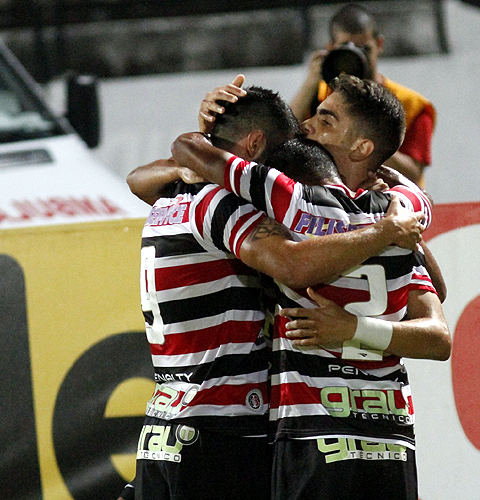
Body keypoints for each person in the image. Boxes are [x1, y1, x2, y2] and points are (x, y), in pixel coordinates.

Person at [129, 85, 426, 500]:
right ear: (255, 146)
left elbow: (139, 178)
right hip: (226, 427)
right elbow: (292, 263)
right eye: (285, 152)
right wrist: (385, 232)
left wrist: (190, 157)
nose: (294, 161)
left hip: (167, 425)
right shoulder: (225, 204)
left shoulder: (172, 199)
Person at [290, 3, 435, 187]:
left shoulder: (413, 105)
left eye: (364, 49)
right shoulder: (320, 98)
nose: (356, 56)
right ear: (331, 49)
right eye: (346, 49)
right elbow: (283, 140)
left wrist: (368, 139)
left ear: (379, 44)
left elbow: (413, 176)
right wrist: (310, 83)